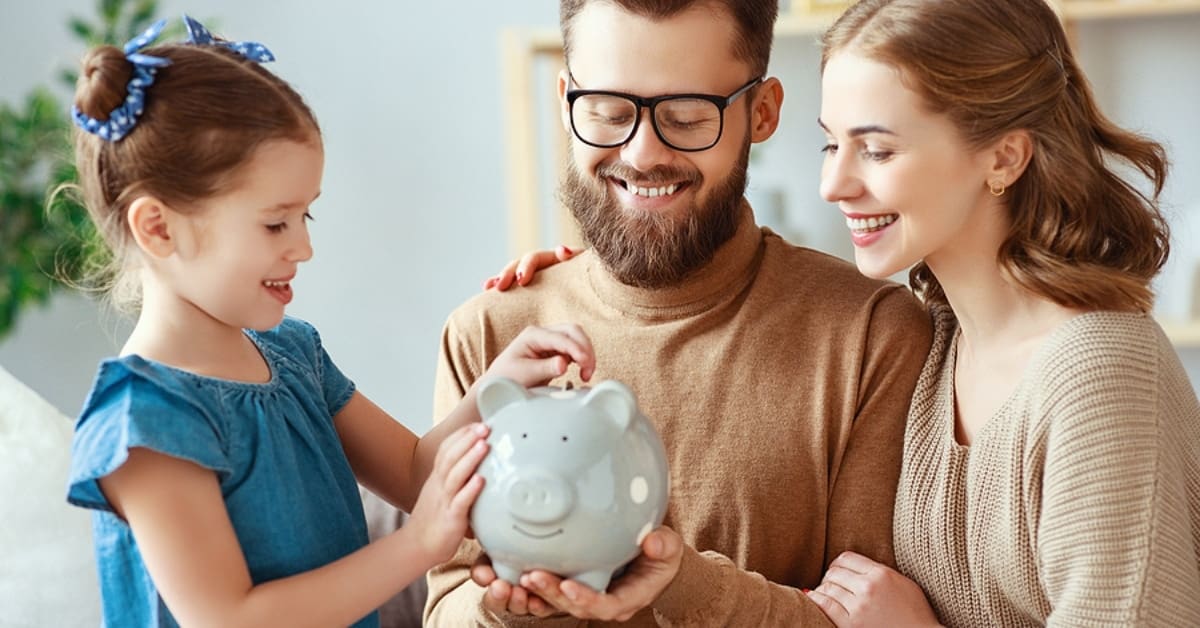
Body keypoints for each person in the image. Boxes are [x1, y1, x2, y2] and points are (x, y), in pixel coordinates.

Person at [64, 17, 595, 628]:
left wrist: (498, 389)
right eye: (275, 223)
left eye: (305, 219)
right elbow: (229, 618)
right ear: (158, 228)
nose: (303, 249)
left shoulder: (293, 355)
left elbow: (414, 473)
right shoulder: (144, 423)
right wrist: (418, 545)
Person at [416, 0, 933, 625]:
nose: (641, 155)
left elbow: (862, 616)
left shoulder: (873, 336)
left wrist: (675, 581)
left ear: (762, 111)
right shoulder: (491, 333)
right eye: (607, 113)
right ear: (564, 100)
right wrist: (514, 610)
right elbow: (447, 601)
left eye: (687, 118)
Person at [803, 0, 1200, 625]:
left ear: (1005, 157)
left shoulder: (1101, 376)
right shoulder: (935, 342)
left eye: (876, 151)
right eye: (830, 144)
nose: (833, 184)